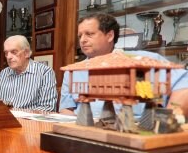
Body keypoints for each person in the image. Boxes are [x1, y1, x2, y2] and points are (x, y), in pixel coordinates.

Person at [59, 13, 188, 117]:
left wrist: (168, 121)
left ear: (110, 36)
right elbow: (66, 110)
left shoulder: (146, 60)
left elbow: (184, 88)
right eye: (80, 36)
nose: (82, 40)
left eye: (90, 34)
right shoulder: (73, 71)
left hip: (138, 131)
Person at [0, 35, 57, 111]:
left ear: (26, 53)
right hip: (3, 120)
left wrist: (15, 113)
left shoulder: (44, 72)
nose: (8, 57)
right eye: (6, 53)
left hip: (28, 121)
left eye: (14, 52)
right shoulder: (4, 73)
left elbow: (48, 108)